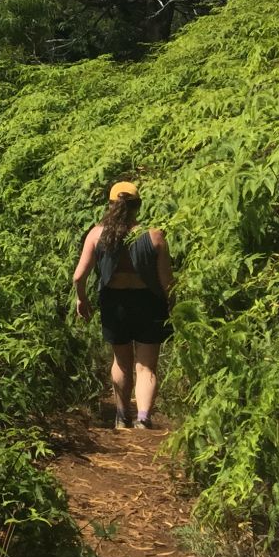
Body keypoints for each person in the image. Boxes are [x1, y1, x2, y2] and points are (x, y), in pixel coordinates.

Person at [71, 181, 174, 429]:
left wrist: (81, 298)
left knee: (121, 361)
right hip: (148, 302)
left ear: (110, 204)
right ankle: (143, 418)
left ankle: (121, 416)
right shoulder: (154, 236)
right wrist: (172, 306)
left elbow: (78, 276)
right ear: (137, 206)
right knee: (146, 366)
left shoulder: (97, 234)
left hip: (114, 301)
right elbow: (167, 282)